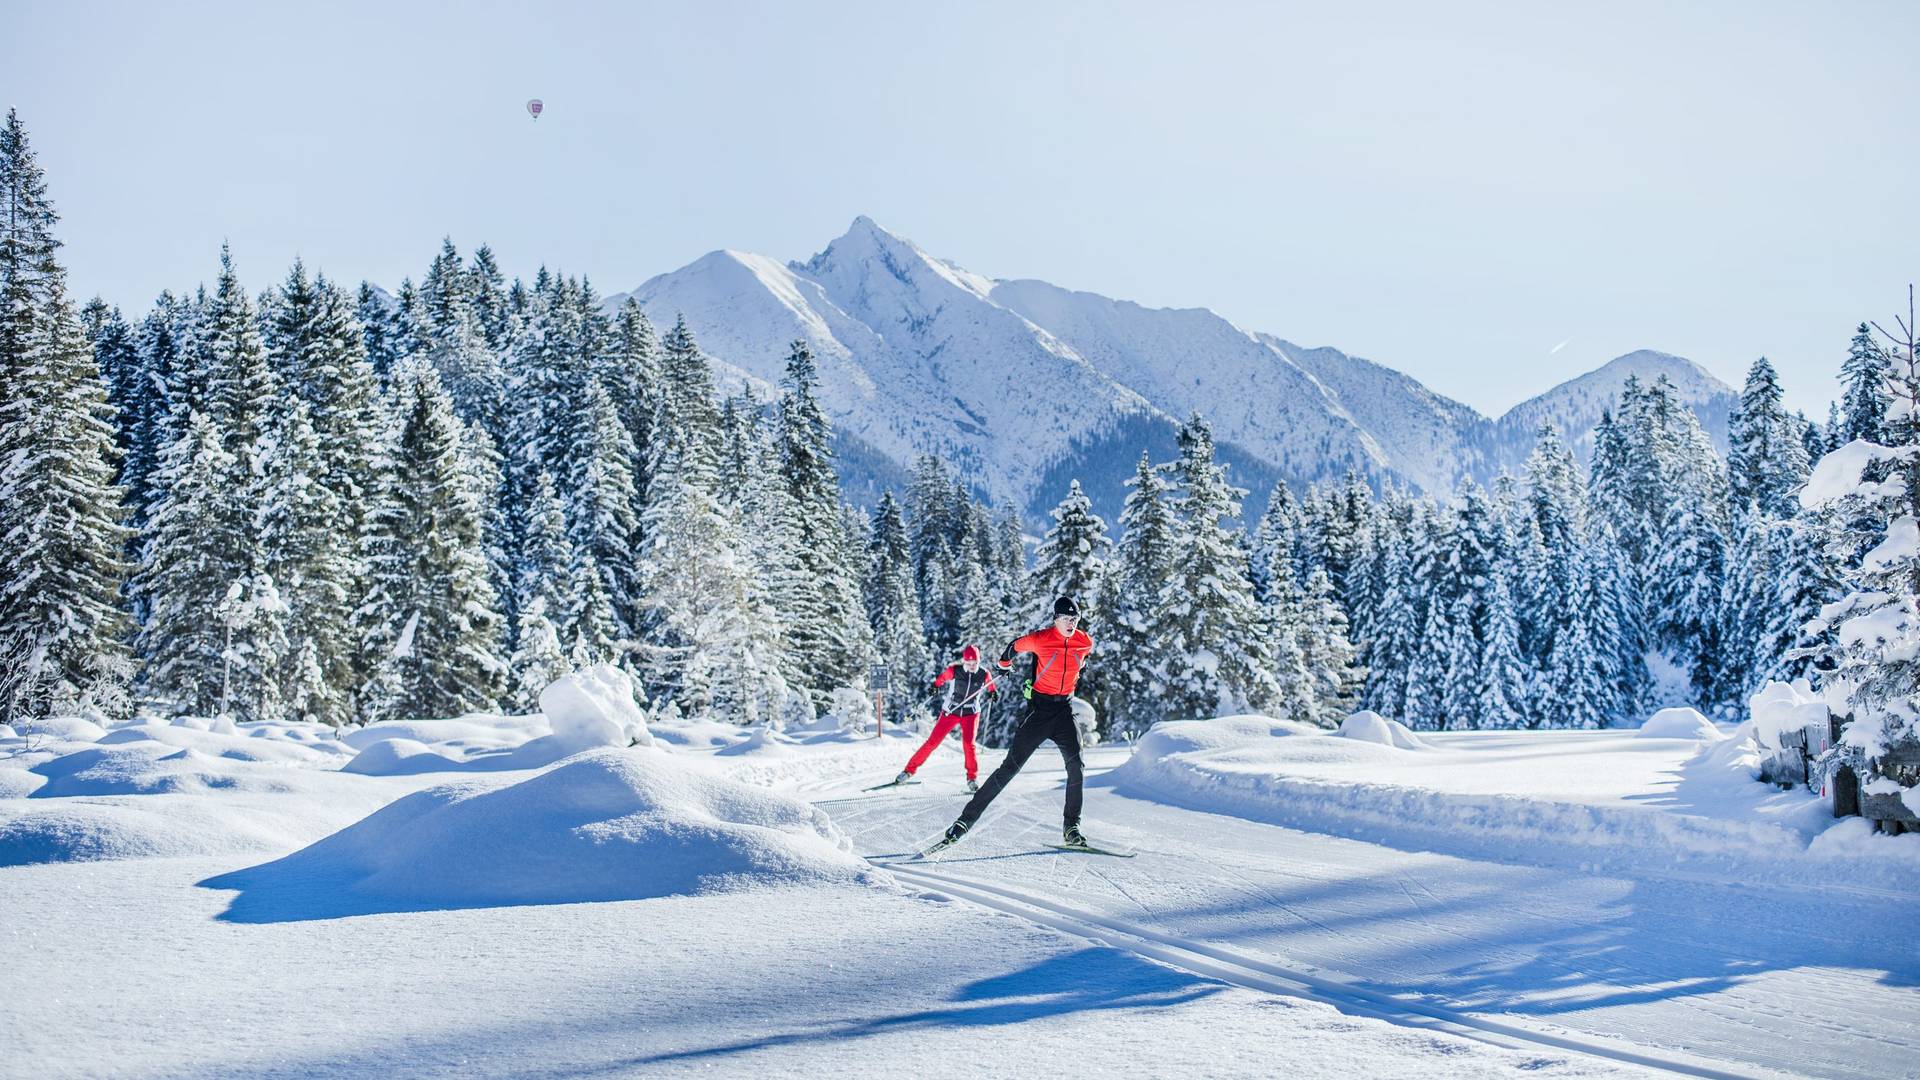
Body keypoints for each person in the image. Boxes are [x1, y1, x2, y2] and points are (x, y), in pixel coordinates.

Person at [931, 595, 1095, 852]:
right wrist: (1003, 666)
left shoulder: (1084, 641)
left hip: (1064, 710)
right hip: (1039, 712)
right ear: (1056, 619)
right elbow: (1012, 648)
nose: (1071, 623)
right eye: (1066, 618)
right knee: (1009, 769)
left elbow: (1082, 661)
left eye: (1075, 619)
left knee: (1077, 766)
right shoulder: (1041, 639)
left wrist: (1078, 671)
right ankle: (964, 822)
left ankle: (1071, 828)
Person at [892, 645, 997, 791]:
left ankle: (972, 778)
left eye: (975, 663)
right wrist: (935, 686)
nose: (972, 666)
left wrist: (993, 693)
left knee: (969, 745)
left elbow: (991, 686)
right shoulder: (954, 670)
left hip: (971, 713)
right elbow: (941, 679)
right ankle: (908, 771)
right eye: (969, 663)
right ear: (964, 661)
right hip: (951, 711)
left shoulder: (984, 674)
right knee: (932, 742)